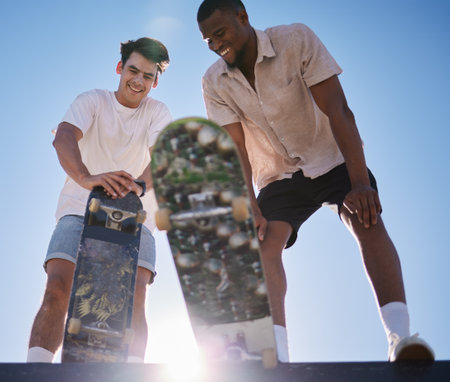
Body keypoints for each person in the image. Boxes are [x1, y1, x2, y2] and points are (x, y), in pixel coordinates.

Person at [197, 0, 434, 362]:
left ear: (243, 18)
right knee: (261, 244)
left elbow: (338, 109)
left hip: (332, 157)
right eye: (207, 40)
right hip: (279, 174)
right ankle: (273, 352)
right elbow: (235, 151)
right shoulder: (214, 81)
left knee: (366, 218)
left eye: (220, 33)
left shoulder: (295, 39)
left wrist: (360, 184)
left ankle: (400, 338)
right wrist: (251, 208)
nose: (215, 44)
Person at [27, 37, 171, 363]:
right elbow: (64, 136)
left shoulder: (157, 112)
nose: (138, 81)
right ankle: (36, 368)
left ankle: (132, 370)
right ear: (120, 68)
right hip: (80, 210)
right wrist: (86, 178)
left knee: (134, 297)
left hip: (135, 215)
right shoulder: (93, 100)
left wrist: (139, 187)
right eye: (133, 71)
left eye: (148, 76)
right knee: (58, 287)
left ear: (155, 81)